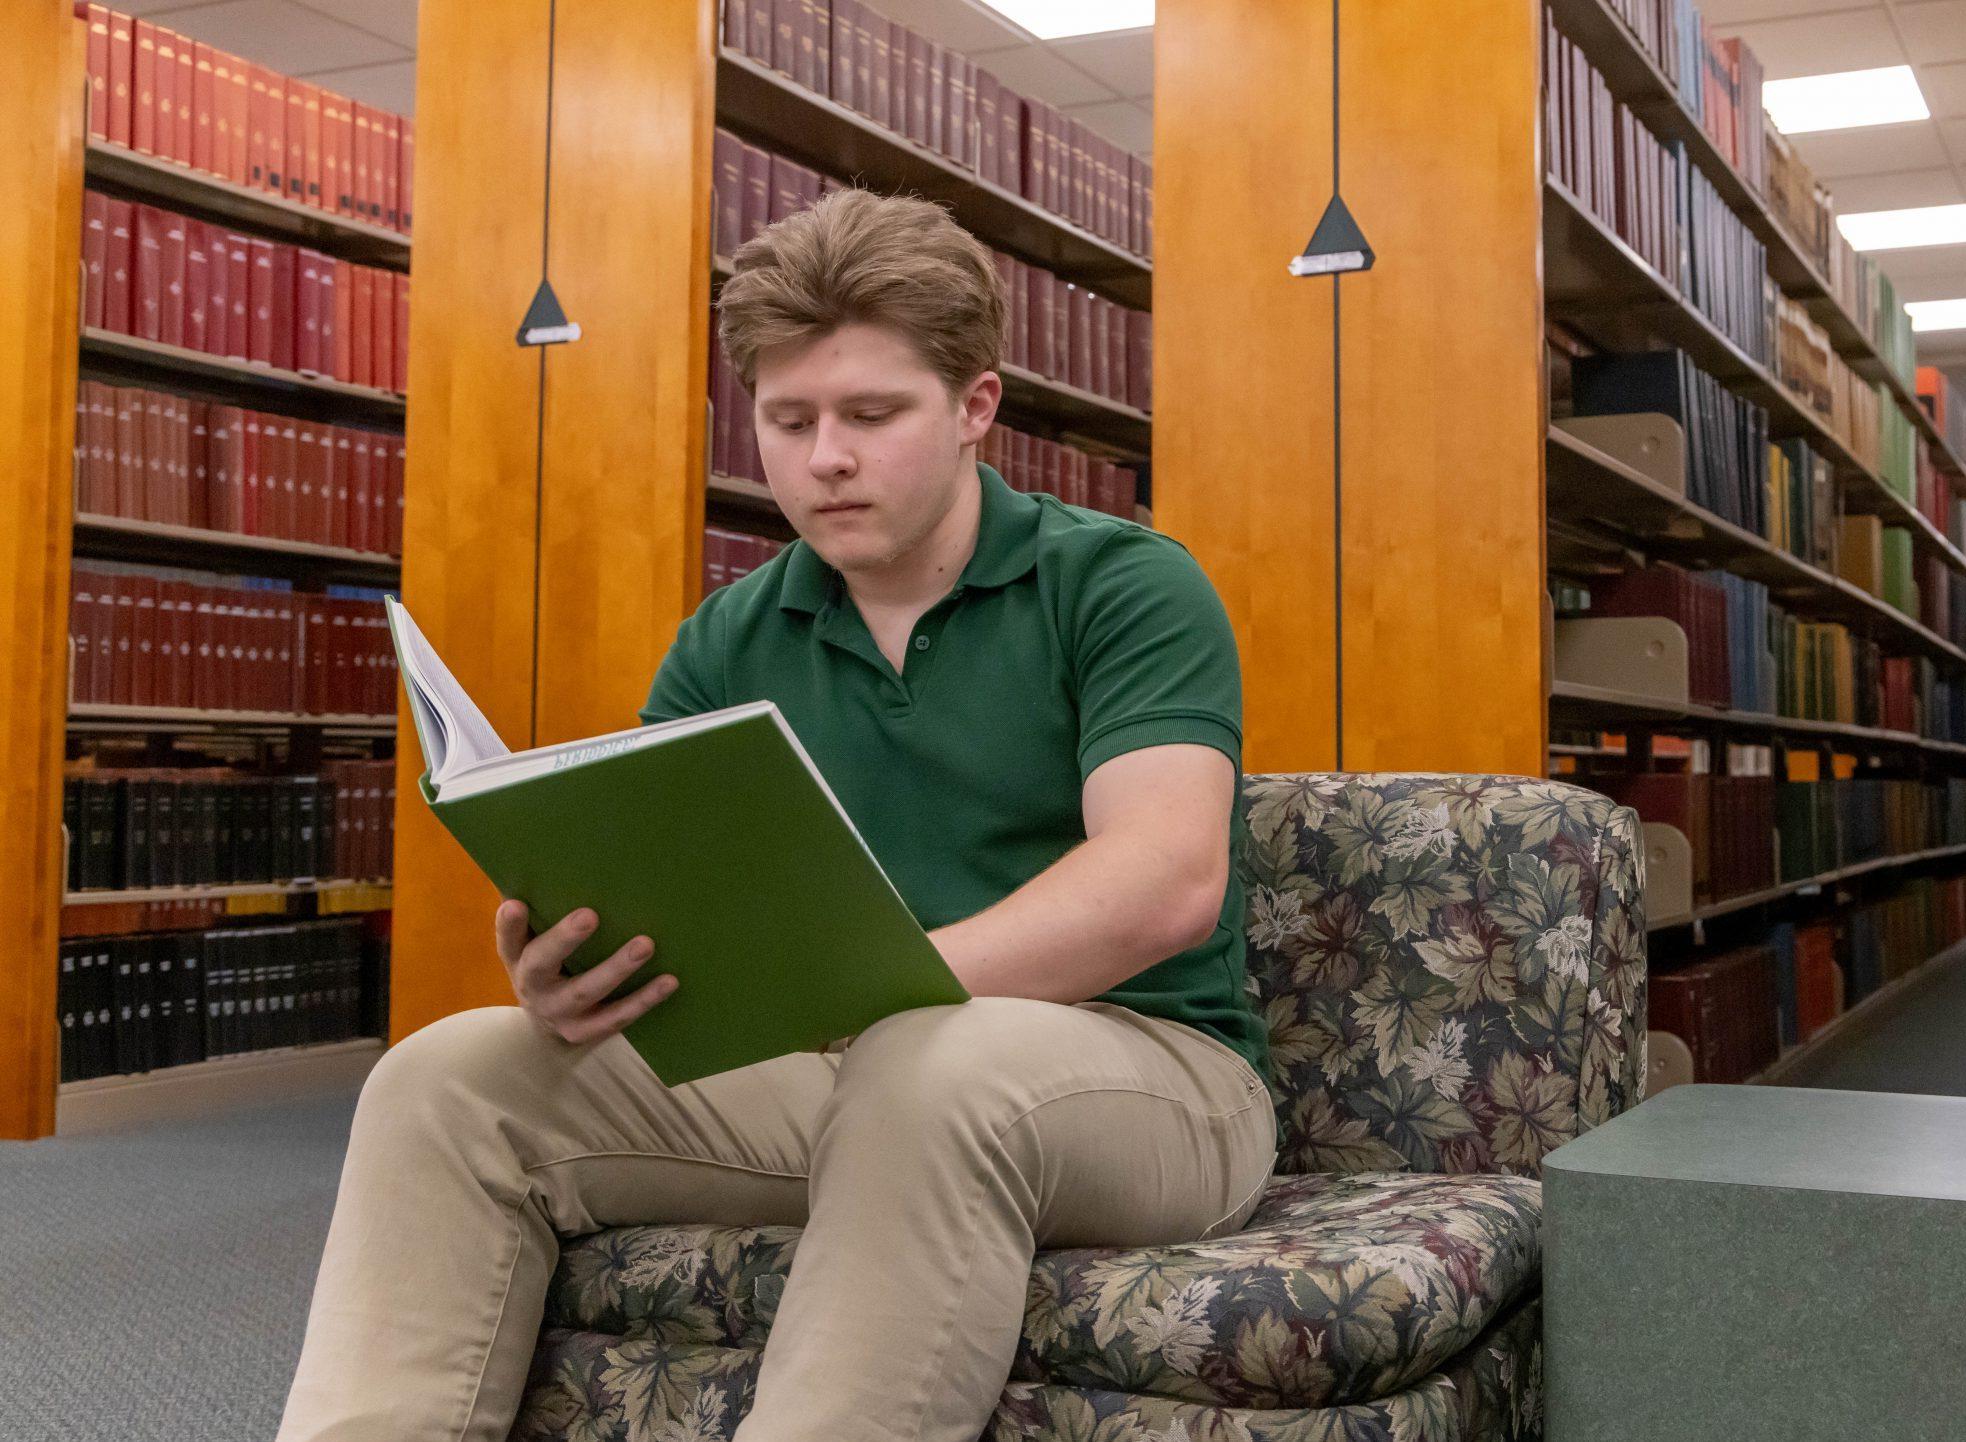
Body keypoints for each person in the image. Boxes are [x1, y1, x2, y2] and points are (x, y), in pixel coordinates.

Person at [276, 186, 1274, 1442]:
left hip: (1153, 1074)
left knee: (926, 1060)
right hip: (843, 1074)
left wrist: (881, 992)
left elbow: (1163, 875)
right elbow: (681, 909)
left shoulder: (1121, 583)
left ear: (976, 407)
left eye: (871, 414)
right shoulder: (729, 637)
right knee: (447, 1076)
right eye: (787, 420)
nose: (825, 459)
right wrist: (581, 966)